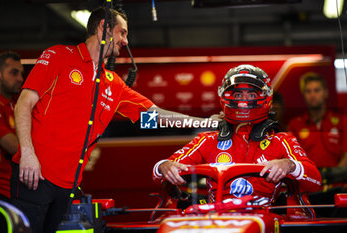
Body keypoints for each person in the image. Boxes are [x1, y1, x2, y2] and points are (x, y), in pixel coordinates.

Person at [11, 7, 213, 233]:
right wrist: (27, 154)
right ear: (104, 29)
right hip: (34, 175)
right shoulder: (59, 56)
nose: (125, 41)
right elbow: (23, 104)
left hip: (70, 186)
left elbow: (154, 116)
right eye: (122, 33)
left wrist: (206, 123)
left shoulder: (112, 82)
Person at [153, 64, 321, 203]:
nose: (243, 101)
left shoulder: (282, 140)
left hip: (266, 218)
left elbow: (315, 181)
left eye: (251, 95)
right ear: (224, 96)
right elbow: (159, 172)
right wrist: (164, 166)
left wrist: (290, 165)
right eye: (238, 94)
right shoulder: (207, 140)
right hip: (218, 219)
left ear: (265, 97)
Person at [287, 73, 347, 168]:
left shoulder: (342, 121)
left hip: (337, 181)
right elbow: (289, 157)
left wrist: (335, 175)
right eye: (308, 91)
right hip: (307, 180)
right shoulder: (295, 124)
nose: (313, 95)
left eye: (317, 90)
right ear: (303, 95)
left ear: (326, 93)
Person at [0, 51, 23, 202]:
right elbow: (14, 147)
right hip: (0, 191)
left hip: (15, 188)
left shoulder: (16, 104)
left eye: (21, 73)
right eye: (14, 73)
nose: (20, 78)